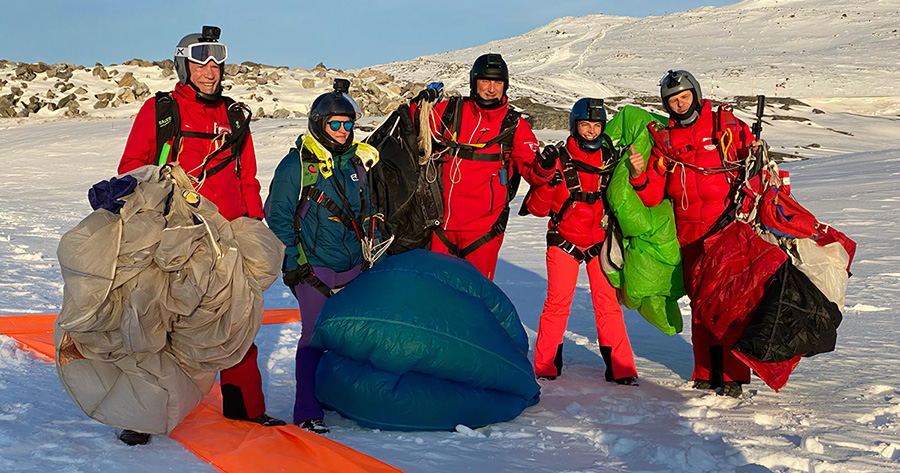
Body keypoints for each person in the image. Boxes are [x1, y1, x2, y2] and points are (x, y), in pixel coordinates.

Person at [117, 26, 284, 445]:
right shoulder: (162, 111)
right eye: (200, 62)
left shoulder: (233, 115)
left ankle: (245, 407)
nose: (210, 71)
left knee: (236, 318)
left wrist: (253, 222)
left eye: (216, 63)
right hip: (174, 235)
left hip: (226, 236)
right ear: (183, 65)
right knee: (158, 320)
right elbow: (132, 166)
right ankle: (142, 415)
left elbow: (247, 175)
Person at [626, 70, 761, 398]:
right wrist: (638, 175)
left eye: (684, 96)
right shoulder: (665, 141)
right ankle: (705, 372)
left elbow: (751, 169)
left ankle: (733, 375)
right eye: (673, 100)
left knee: (729, 304)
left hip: (726, 230)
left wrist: (755, 154)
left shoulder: (723, 126)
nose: (680, 103)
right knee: (701, 306)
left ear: (695, 94)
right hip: (689, 235)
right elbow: (653, 196)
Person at [265, 79, 382, 434]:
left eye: (349, 124)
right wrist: (294, 261)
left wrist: (372, 235)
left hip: (352, 264)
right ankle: (307, 410)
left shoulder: (357, 164)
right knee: (314, 335)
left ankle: (339, 396)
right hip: (312, 265)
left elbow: (366, 208)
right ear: (319, 123)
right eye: (336, 124)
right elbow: (277, 214)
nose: (344, 131)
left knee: (349, 335)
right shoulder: (296, 165)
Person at [525, 98, 638, 385]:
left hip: (600, 242)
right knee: (557, 304)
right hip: (564, 241)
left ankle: (621, 368)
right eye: (585, 125)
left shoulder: (612, 160)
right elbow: (539, 209)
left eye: (596, 125)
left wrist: (637, 174)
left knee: (608, 304)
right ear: (575, 127)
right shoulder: (559, 160)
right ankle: (545, 365)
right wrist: (545, 175)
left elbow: (631, 197)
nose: (590, 131)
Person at [424, 53, 556, 280]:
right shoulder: (449, 111)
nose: (492, 89)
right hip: (439, 227)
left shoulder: (514, 125)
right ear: (473, 82)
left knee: (475, 300)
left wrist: (544, 167)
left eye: (498, 82)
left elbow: (532, 172)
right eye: (485, 81)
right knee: (434, 296)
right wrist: (422, 102)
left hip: (482, 232)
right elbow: (414, 128)